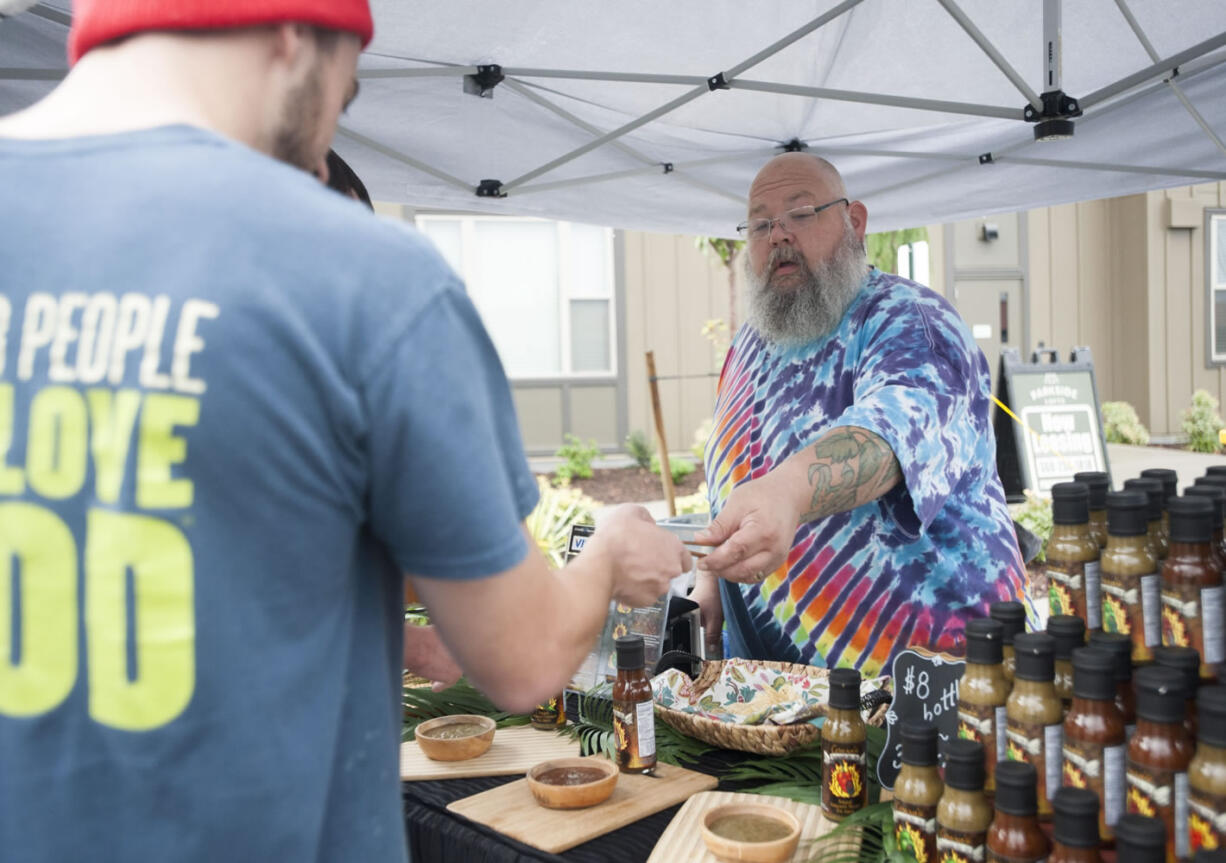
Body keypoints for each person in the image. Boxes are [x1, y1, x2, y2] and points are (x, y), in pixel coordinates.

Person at [0, 2, 690, 861]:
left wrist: (388, 631)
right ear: (293, 33)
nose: (325, 149)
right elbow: (524, 658)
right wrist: (610, 553)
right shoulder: (366, 277)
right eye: (345, 92)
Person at [691, 152, 1025, 677]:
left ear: (855, 222)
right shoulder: (750, 344)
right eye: (760, 223)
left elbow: (891, 437)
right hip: (771, 706)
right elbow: (735, 470)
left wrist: (788, 493)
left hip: (924, 692)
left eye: (800, 215)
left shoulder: (912, 321)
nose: (778, 235)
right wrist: (711, 574)